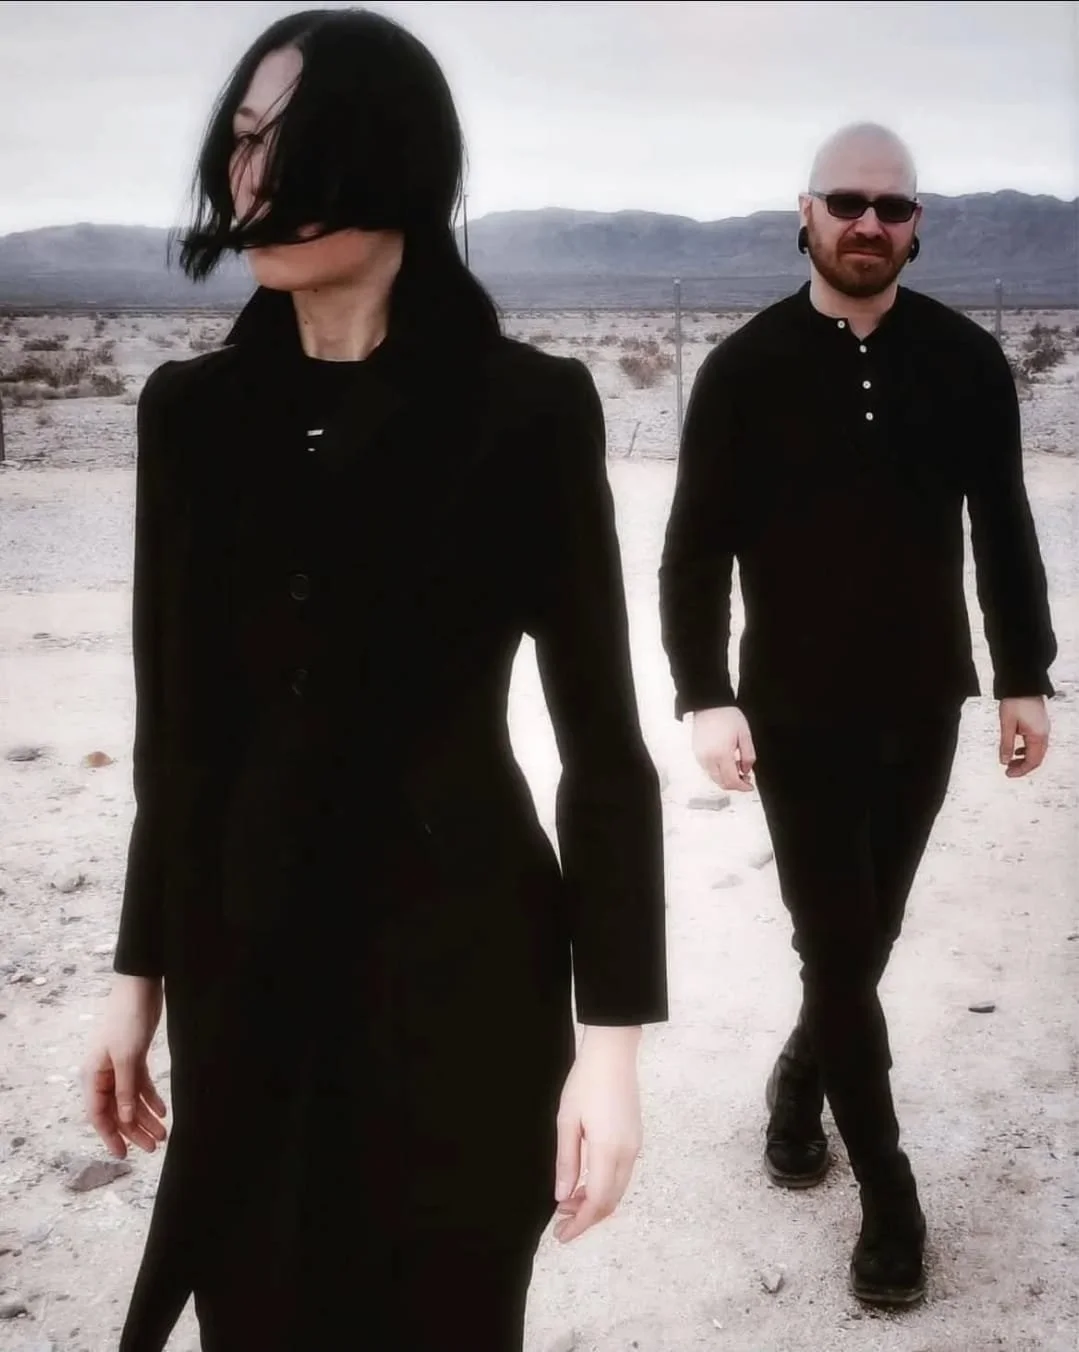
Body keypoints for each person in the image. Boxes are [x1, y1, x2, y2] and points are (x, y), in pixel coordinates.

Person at [81, 9, 668, 1350]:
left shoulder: (527, 409)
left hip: (463, 972)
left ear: (396, 158)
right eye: (240, 140)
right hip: (242, 963)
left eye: (289, 141)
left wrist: (610, 1048)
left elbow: (602, 751)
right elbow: (178, 740)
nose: (250, 176)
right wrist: (138, 975)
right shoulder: (190, 415)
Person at [658, 121, 1056, 1308]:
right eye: (846, 203)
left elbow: (1002, 524)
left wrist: (1022, 672)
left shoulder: (963, 361)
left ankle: (796, 1081)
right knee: (834, 939)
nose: (867, 223)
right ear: (805, 213)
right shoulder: (743, 369)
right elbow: (693, 549)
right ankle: (888, 1191)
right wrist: (703, 692)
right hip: (791, 710)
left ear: (916, 223)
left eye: (890, 206)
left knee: (863, 934)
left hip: (923, 698)